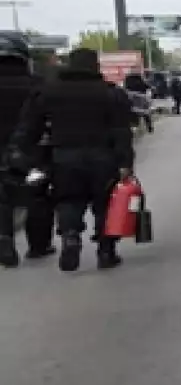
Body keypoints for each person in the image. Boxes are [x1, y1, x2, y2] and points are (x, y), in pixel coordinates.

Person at [11, 48, 134, 272]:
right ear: (95, 66)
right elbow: (122, 130)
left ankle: (70, 237)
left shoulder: (48, 92)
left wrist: (28, 154)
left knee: (68, 200)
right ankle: (106, 251)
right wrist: (125, 162)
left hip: (64, 156)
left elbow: (30, 127)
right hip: (103, 156)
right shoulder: (111, 93)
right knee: (105, 203)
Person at [0, 32, 53, 267]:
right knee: (37, 196)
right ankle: (38, 246)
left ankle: (4, 242)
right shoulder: (38, 85)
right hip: (31, 151)